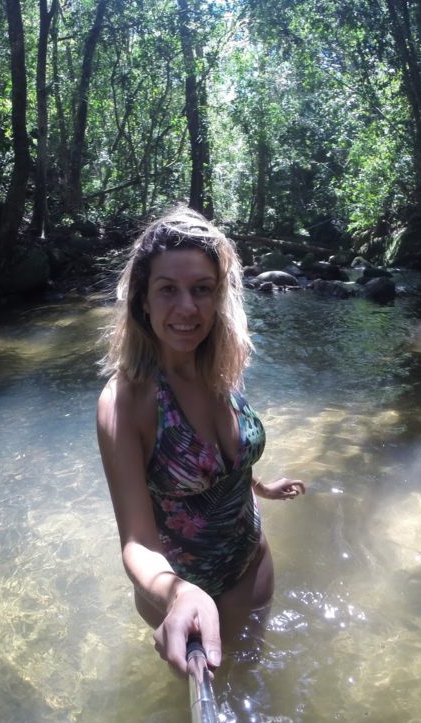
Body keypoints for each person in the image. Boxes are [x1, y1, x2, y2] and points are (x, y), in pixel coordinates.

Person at [96, 205, 305, 678]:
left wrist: (262, 487)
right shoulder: (127, 400)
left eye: (202, 290)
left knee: (252, 679)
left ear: (218, 296)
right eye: (168, 290)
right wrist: (179, 593)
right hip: (185, 597)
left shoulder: (220, 363)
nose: (187, 308)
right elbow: (136, 543)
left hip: (253, 558)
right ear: (142, 301)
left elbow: (226, 459)